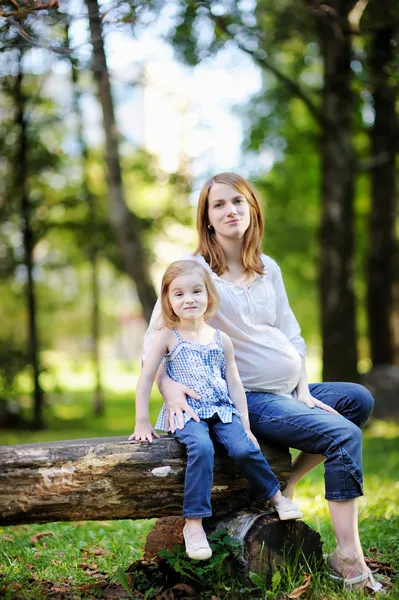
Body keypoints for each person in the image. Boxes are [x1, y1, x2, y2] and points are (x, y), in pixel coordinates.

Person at [141, 173, 383, 593]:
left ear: (252, 208)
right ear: (208, 218)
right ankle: (348, 557)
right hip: (245, 398)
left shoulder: (267, 267)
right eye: (219, 205)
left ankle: (286, 483)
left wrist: (304, 389)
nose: (230, 210)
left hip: (289, 392)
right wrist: (169, 386)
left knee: (356, 400)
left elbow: (291, 334)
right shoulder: (194, 271)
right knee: (344, 436)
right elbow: (153, 342)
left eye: (238, 201)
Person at [130, 259, 304, 561]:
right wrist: (141, 422)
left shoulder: (220, 338)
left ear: (209, 295)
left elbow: (234, 384)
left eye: (196, 291)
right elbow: (146, 377)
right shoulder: (168, 335)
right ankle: (194, 523)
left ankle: (276, 496)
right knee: (202, 448)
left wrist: (246, 425)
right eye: (179, 294)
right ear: (168, 301)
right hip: (187, 414)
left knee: (244, 449)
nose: (189, 299)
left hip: (223, 410)